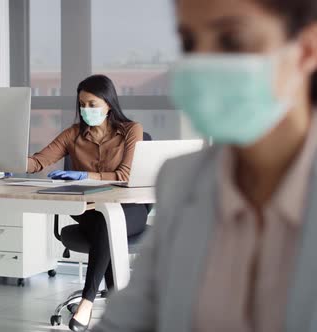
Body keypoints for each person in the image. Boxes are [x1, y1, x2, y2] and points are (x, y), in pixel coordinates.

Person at [94, 0, 317, 331]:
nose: (202, 63)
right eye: (189, 43)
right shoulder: (180, 180)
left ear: (305, 50)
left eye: (231, 40)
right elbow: (126, 321)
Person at [27, 74, 147, 332]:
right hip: (89, 210)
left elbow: (125, 175)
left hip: (131, 208)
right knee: (104, 221)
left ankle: (87, 301)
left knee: (108, 221)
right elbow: (38, 161)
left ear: (109, 104)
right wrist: (7, 159)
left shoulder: (130, 130)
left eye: (92, 104)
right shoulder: (73, 134)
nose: (85, 110)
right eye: (82, 104)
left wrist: (85, 175)